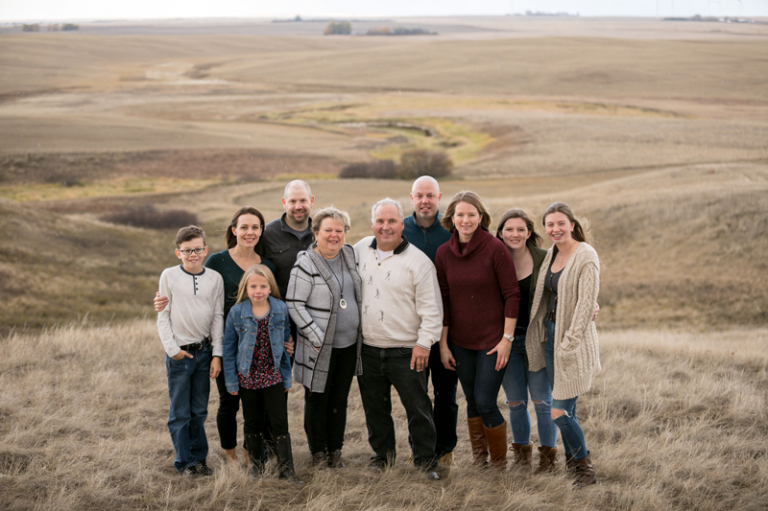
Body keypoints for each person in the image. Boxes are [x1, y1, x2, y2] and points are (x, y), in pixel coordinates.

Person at [154, 207, 281, 466]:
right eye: (243, 227)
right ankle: (222, 456)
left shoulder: (267, 265)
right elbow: (192, 294)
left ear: (261, 231)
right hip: (226, 345)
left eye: (255, 227)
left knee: (255, 405)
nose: (249, 232)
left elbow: (274, 303)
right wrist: (161, 305)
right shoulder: (217, 262)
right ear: (234, 230)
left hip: (258, 347)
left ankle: (252, 453)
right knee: (227, 402)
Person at [354, 198, 442, 480]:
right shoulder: (359, 250)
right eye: (380, 221)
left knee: (418, 409)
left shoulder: (419, 262)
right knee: (375, 409)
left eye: (392, 221)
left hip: (407, 351)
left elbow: (432, 310)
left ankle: (426, 462)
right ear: (372, 224)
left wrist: (424, 344)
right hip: (368, 349)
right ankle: (383, 457)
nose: (386, 226)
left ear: (402, 224)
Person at [435, 191, 520, 469]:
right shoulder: (443, 253)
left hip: (493, 342)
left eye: (471, 214)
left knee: (485, 401)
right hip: (460, 342)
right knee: (471, 400)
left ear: (480, 217)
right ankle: (479, 460)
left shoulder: (495, 248)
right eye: (460, 214)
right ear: (451, 218)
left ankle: (499, 464)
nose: (465, 220)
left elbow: (512, 295)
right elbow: (444, 300)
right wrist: (444, 345)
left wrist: (507, 339)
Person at [526, 202, 601, 488]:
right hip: (550, 337)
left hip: (572, 343)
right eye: (550, 224)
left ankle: (585, 469)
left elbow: (585, 305)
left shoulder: (586, 255)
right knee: (569, 409)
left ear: (572, 225)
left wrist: (569, 343)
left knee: (558, 411)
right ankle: (573, 464)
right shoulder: (552, 254)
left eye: (560, 223)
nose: (555, 229)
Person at [286, 207, 363, 469]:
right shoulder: (306, 263)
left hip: (348, 345)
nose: (334, 235)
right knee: (318, 398)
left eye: (339, 230)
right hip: (318, 346)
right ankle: (318, 452)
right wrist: (315, 335)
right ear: (316, 233)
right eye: (328, 230)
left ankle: (335, 450)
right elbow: (294, 303)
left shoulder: (350, 254)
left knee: (339, 400)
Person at [222, 264, 301, 483]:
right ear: (245, 288)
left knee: (280, 422)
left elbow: (285, 345)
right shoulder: (237, 312)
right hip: (247, 378)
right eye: (253, 286)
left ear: (270, 287)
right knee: (252, 422)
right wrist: (232, 382)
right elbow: (228, 349)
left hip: (273, 376)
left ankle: (287, 470)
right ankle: (256, 468)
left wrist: (286, 377)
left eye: (263, 286)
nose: (258, 291)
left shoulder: (280, 308)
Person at [156, 225, 224, 476]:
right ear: (178, 252)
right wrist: (172, 350)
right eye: (187, 250)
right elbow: (163, 316)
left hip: (204, 353)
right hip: (180, 355)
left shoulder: (214, 278)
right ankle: (185, 462)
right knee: (180, 413)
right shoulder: (169, 275)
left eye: (197, 249)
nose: (192, 254)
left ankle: (199, 460)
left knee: (199, 411)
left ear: (205, 250)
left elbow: (218, 317)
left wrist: (217, 354)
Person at [495, 209, 558, 473]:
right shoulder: (494, 258)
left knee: (543, 402)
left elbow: (565, 286)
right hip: (506, 341)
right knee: (516, 402)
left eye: (521, 229)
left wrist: (592, 304)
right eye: (509, 229)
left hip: (537, 339)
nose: (515, 234)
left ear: (529, 233)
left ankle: (548, 460)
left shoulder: (545, 258)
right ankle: (522, 458)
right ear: (500, 233)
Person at [402, 176, 457, 468]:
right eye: (420, 195)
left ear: (439, 197)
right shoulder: (399, 229)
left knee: (446, 394)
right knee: (417, 395)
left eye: (430, 195)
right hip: (412, 329)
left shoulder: (453, 229)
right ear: (412, 197)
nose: (425, 201)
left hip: (449, 328)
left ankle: (445, 450)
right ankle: (421, 450)